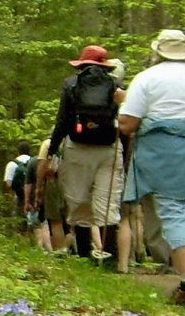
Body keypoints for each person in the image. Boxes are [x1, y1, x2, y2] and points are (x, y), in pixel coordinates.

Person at [120, 29, 185, 305]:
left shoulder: (146, 79)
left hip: (163, 154)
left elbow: (127, 124)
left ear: (157, 52)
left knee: (173, 212)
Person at [43, 45, 127, 264]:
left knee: (78, 199)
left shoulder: (71, 84)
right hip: (109, 148)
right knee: (107, 203)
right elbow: (125, 120)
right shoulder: (116, 86)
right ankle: (109, 259)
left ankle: (84, 256)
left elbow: (62, 120)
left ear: (82, 63)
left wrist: (52, 151)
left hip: (78, 148)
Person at [3, 147, 40, 227]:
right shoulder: (35, 161)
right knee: (37, 222)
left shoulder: (12, 164)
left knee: (20, 219)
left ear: (18, 151)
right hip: (36, 194)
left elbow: (8, 183)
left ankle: (22, 234)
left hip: (19, 195)